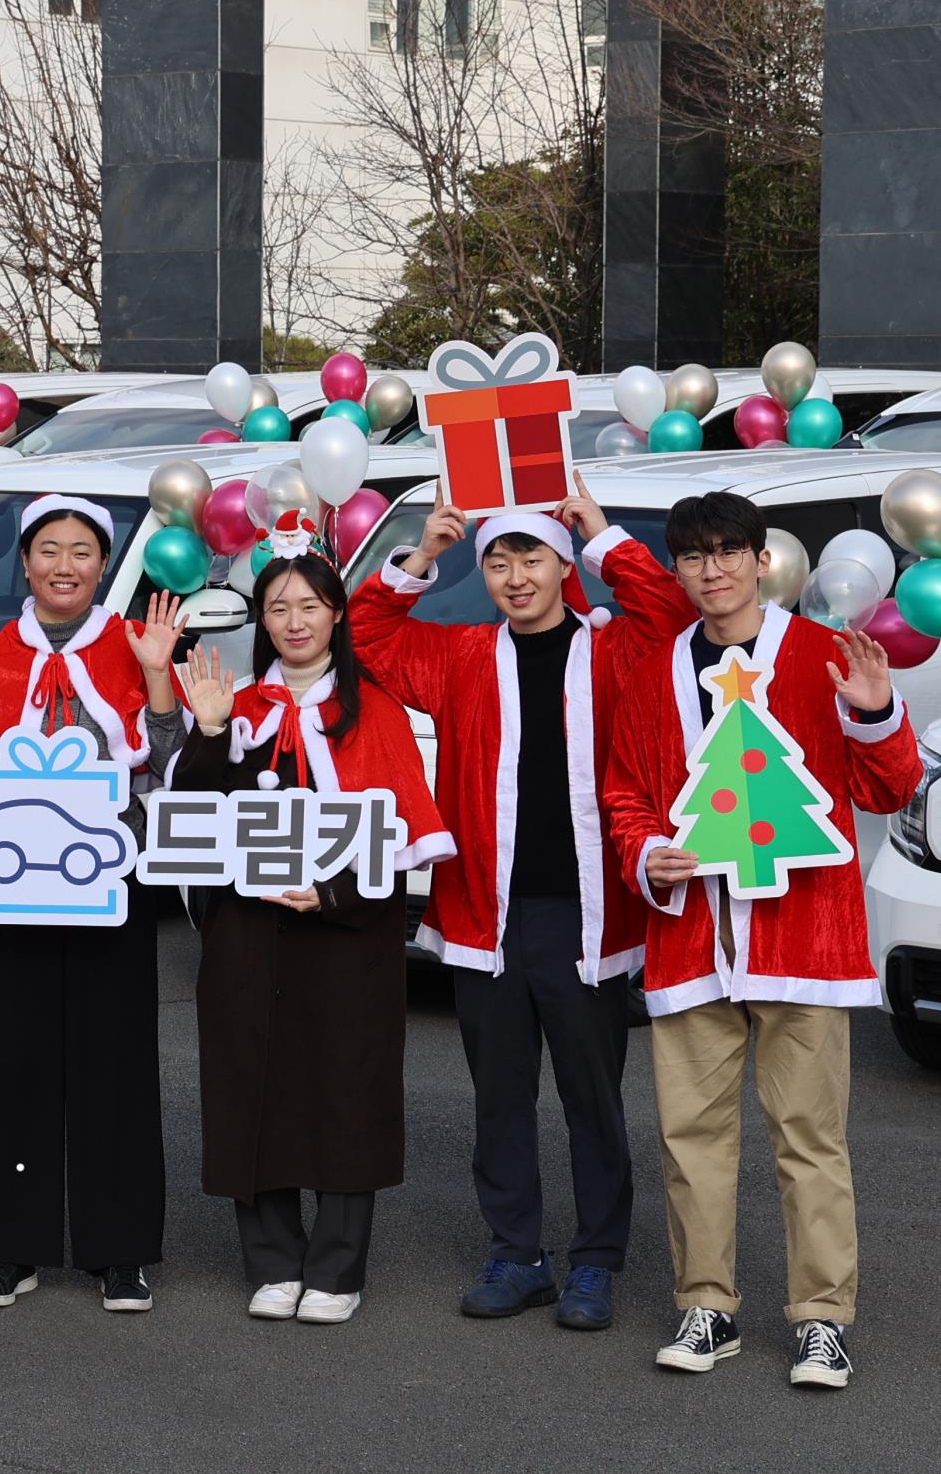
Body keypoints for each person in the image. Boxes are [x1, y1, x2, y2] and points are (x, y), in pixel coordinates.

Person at [347, 482, 692, 1331]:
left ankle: (597, 1261)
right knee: (499, 1095)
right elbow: (365, 633)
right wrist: (424, 556)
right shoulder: (462, 654)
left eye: (531, 555)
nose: (513, 575)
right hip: (485, 917)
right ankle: (515, 1252)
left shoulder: (617, 650)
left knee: (592, 1097)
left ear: (561, 562)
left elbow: (673, 609)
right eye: (496, 559)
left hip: (586, 916)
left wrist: (602, 531)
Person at [600, 491, 919, 1391]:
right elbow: (625, 791)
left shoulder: (824, 656)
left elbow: (891, 790)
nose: (713, 570)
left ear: (760, 558)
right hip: (691, 939)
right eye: (695, 556)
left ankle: (823, 1318)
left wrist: (876, 709)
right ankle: (708, 1304)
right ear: (677, 569)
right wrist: (643, 854)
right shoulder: (655, 668)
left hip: (804, 943)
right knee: (690, 1135)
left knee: (810, 1138)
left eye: (728, 551)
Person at [171, 516, 454, 1325]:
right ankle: (269, 1258)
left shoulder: (379, 710)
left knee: (346, 1088)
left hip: (346, 937)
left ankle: (336, 1263)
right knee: (248, 1083)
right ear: (260, 619)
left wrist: (332, 895)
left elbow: (404, 837)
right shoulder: (235, 701)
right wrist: (214, 730)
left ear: (337, 613)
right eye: (278, 607)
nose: (294, 621)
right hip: (248, 935)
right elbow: (191, 821)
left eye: (310, 605)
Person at [0, 496, 183, 1315]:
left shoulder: (133, 644)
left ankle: (121, 1252)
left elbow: (174, 755)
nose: (66, 565)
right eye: (50, 549)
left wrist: (156, 676)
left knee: (116, 1063)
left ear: (103, 565)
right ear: (27, 560)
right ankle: (11, 1248)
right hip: (14, 889)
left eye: (83, 551)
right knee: (13, 1063)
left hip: (114, 878)